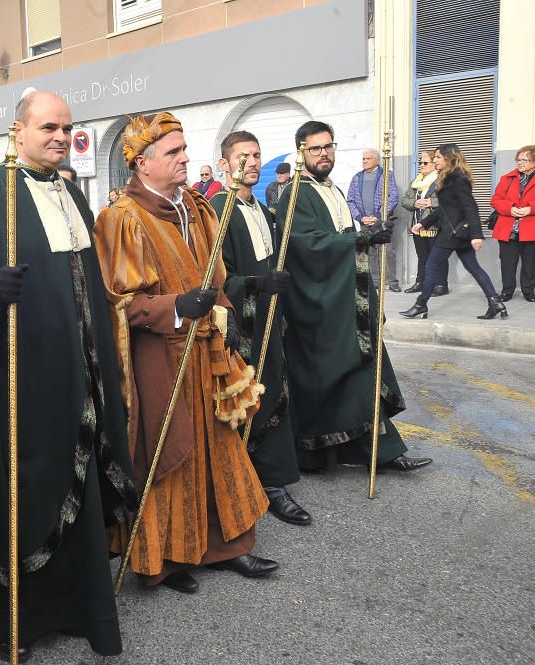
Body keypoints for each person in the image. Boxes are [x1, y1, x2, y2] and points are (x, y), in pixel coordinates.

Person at [0, 90, 136, 661]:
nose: (59, 136)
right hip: (18, 382)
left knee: (75, 485)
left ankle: (80, 606)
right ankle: (14, 623)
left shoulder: (71, 195)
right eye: (47, 127)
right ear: (18, 130)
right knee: (23, 492)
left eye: (66, 127)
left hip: (79, 377)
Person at [94, 113, 275, 597]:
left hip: (207, 353)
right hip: (161, 359)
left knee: (220, 445)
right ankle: (165, 561)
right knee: (169, 455)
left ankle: (226, 547)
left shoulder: (197, 208)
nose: (184, 158)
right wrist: (176, 306)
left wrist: (226, 308)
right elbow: (121, 303)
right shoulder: (121, 219)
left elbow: (215, 277)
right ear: (142, 162)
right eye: (173, 152)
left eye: (183, 149)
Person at [280, 121, 431, 474]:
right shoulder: (295, 194)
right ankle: (319, 453)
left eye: (328, 146)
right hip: (318, 304)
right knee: (334, 378)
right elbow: (307, 244)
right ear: (301, 152)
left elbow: (340, 234)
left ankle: (384, 451)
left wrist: (365, 234)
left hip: (347, 297)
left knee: (362, 372)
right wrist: (361, 240)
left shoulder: (332, 189)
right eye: (315, 148)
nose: (324, 154)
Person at [211, 131, 310, 526]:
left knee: (274, 395)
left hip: (271, 318)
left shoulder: (260, 207)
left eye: (256, 155)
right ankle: (258, 483)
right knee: (250, 401)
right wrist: (254, 284)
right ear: (224, 163)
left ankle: (272, 478)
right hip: (244, 326)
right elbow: (216, 277)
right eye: (242, 157)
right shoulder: (218, 208)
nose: (252, 163)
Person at [399, 144, 506, 321]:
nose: (434, 160)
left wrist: (477, 235)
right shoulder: (447, 178)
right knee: (474, 267)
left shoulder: (458, 179)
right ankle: (495, 302)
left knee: (432, 266)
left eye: (438, 157)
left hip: (452, 233)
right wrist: (423, 223)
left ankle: (420, 305)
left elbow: (470, 207)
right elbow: (444, 209)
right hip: (457, 232)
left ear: (448, 158)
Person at [346, 148, 401, 292]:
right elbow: (350, 200)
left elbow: (393, 197)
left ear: (377, 160)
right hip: (364, 221)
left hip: (381, 221)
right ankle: (375, 281)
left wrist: (378, 216)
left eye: (368, 158)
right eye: (363, 159)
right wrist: (360, 217)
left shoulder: (386, 175)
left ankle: (392, 281)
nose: (364, 161)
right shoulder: (357, 177)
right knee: (369, 251)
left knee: (387, 251)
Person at [490, 145, 535, 302]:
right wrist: (510, 208)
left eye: (525, 159)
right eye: (519, 159)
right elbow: (495, 200)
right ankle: (507, 291)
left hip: (531, 229)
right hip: (508, 228)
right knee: (508, 263)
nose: (520, 162)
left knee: (530, 263)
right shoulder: (507, 178)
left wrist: (530, 209)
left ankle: (529, 291)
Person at [401, 150, 448, 295]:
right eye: (420, 162)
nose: (421, 165)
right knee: (422, 257)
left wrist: (431, 202)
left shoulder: (442, 180)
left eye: (425, 162)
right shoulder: (415, 182)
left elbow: (449, 200)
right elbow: (404, 200)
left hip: (434, 224)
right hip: (417, 224)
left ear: (435, 164)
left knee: (437, 256)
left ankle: (441, 285)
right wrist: (415, 202)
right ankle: (420, 282)